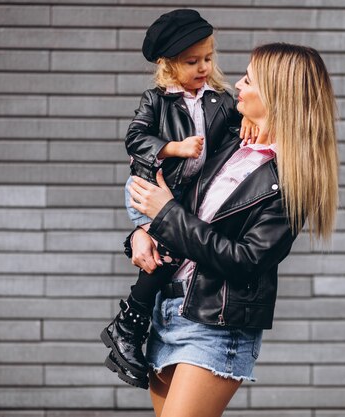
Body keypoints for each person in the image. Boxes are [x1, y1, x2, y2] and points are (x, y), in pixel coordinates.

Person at [125, 43, 340, 417]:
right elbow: (180, 198)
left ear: (276, 95)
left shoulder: (289, 180)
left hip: (215, 325)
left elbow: (246, 260)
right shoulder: (231, 144)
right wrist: (141, 232)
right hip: (170, 308)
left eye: (249, 79)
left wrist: (166, 215)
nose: (236, 84)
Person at [100, 9, 257, 389]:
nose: (203, 67)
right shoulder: (156, 100)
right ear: (169, 65)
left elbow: (237, 131)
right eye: (192, 61)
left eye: (208, 58)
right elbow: (135, 139)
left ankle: (127, 328)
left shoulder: (218, 100)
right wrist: (174, 148)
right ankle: (127, 328)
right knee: (166, 250)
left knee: (166, 256)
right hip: (150, 187)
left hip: (184, 197)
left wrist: (249, 122)